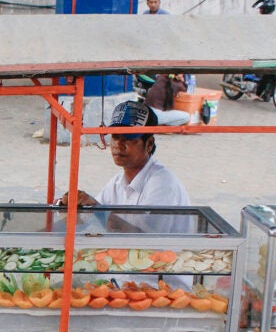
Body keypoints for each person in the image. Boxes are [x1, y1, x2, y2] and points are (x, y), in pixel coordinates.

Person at [57, 101, 191, 235]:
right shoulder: (117, 183)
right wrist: (71, 205)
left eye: (128, 138)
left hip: (170, 254)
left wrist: (94, 207)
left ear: (149, 144)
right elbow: (92, 218)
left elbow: (145, 239)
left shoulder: (163, 184)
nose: (118, 145)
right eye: (115, 136)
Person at [252, 0, 276, 100]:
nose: (259, 11)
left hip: (270, 52)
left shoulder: (273, 20)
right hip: (261, 51)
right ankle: (261, 93)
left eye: (261, 9)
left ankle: (264, 93)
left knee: (270, 74)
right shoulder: (260, 21)